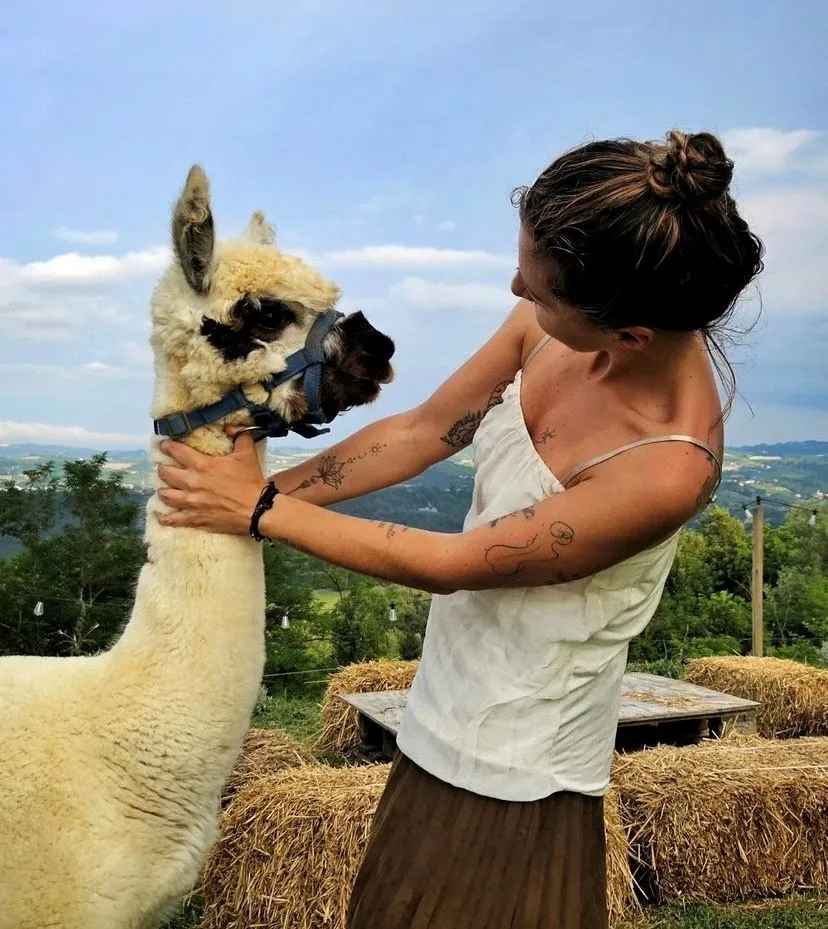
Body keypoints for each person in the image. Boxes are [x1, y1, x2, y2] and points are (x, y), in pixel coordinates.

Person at [156, 129, 764, 929]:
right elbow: (423, 431)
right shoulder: (550, 327)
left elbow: (456, 561)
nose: (518, 288)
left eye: (540, 289)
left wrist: (263, 514)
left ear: (630, 335)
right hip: (442, 716)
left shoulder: (666, 467)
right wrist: (258, 484)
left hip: (521, 770)